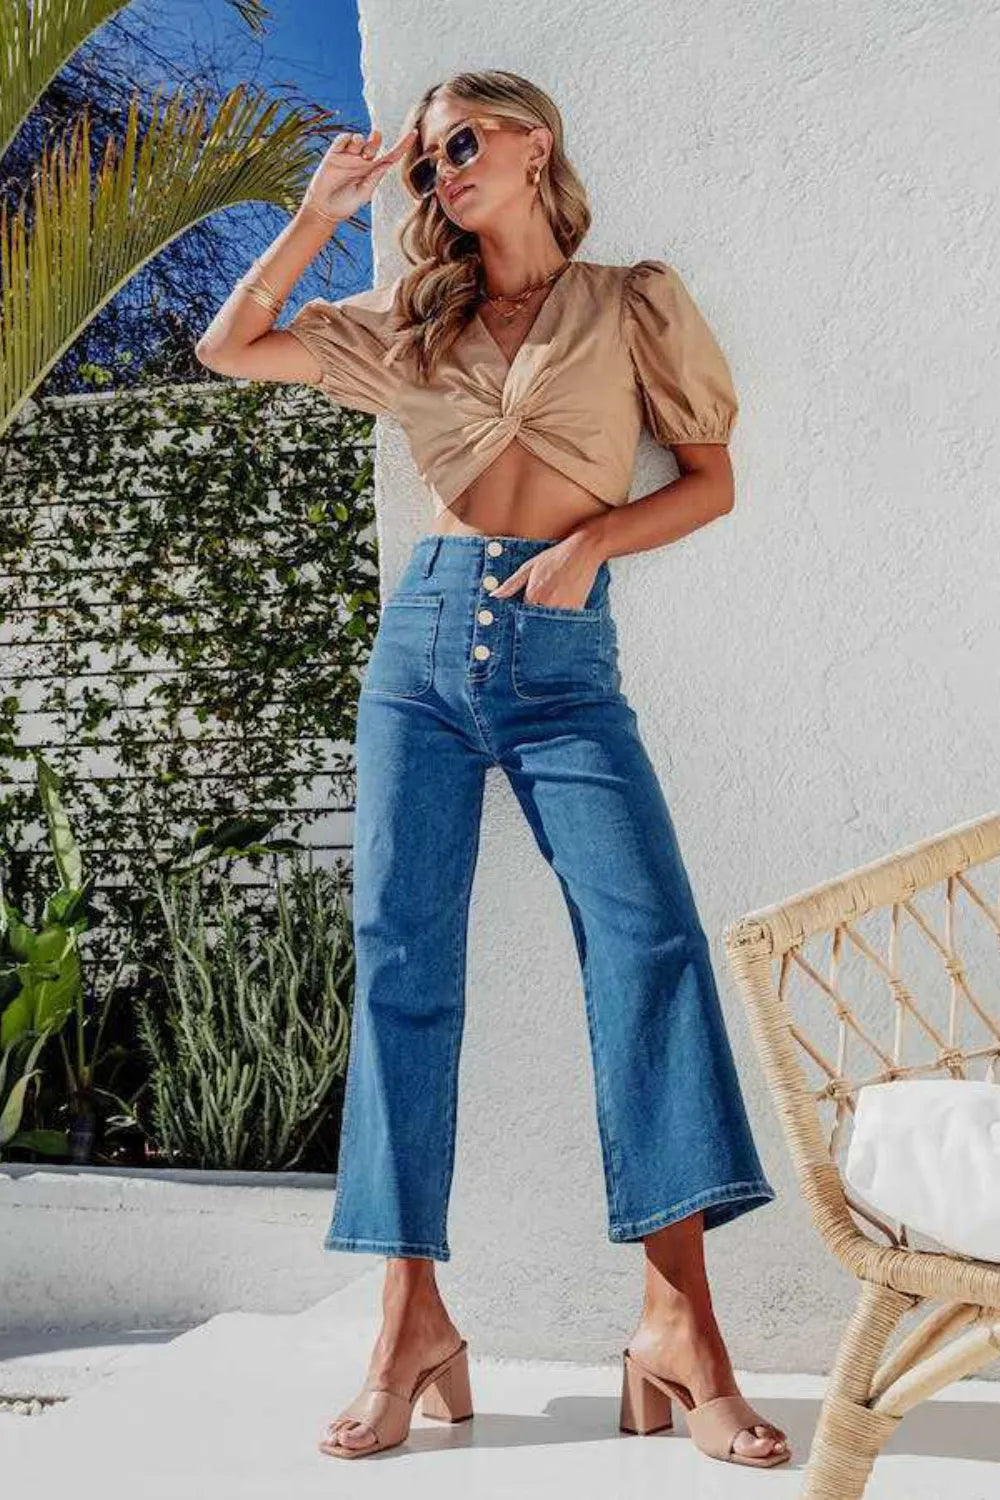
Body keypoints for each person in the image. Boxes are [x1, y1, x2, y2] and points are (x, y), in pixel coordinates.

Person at [195, 69, 790, 1471]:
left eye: (464, 143)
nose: (444, 170)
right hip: (420, 649)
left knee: (646, 946)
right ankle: (409, 1325)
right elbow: (233, 346)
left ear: (534, 147)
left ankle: (678, 1326)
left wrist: (589, 547)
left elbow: (711, 476)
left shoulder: (630, 300)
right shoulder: (414, 320)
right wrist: (323, 208)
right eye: (427, 159)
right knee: (403, 962)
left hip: (562, 656)